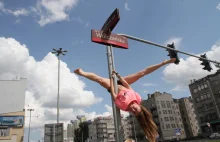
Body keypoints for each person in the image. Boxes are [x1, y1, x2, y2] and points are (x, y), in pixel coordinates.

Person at [74, 58, 176, 142]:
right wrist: (118, 77)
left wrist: (112, 82)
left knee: (100, 80)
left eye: (133, 112)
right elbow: (127, 86)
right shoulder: (138, 98)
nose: (133, 109)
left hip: (113, 86)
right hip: (123, 82)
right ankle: (164, 62)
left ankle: (82, 73)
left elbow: (113, 95)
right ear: (139, 106)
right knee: (141, 73)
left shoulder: (124, 107)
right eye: (136, 109)